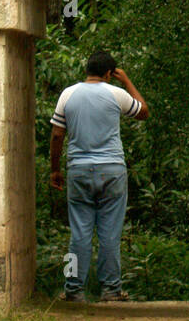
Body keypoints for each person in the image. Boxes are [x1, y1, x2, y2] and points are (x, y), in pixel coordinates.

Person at [49, 51, 149, 302]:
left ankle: (74, 290)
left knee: (79, 233)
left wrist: (55, 169)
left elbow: (57, 135)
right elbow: (144, 112)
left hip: (79, 171)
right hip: (112, 171)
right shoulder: (117, 94)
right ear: (108, 74)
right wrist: (126, 81)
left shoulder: (68, 94)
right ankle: (111, 290)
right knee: (110, 234)